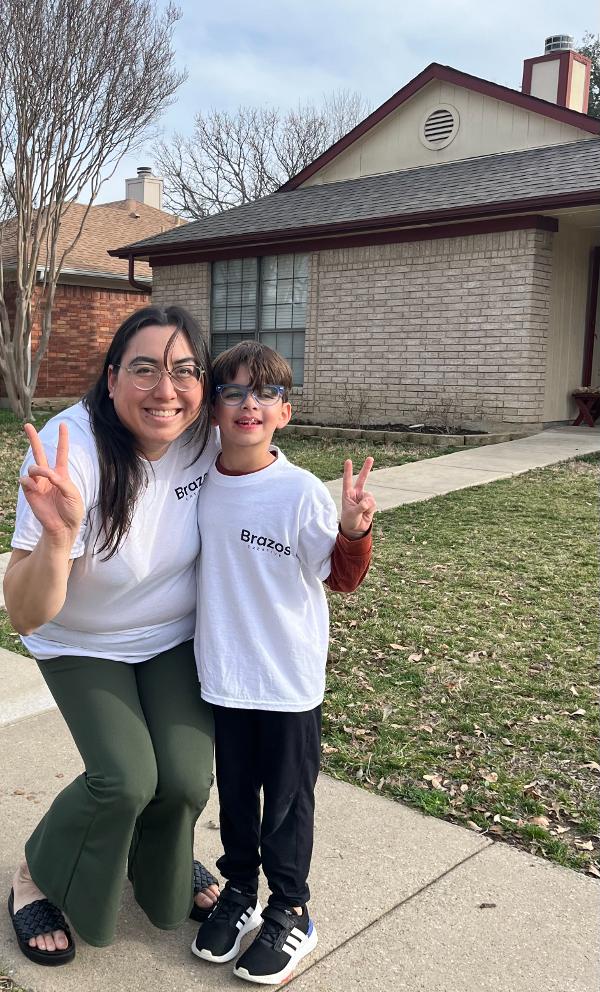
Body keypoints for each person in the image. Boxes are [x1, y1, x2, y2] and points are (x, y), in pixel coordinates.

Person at [4, 305, 222, 965]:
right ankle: (35, 874)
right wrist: (60, 537)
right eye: (145, 370)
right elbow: (27, 614)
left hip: (168, 636)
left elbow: (268, 480)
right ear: (110, 378)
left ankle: (161, 862)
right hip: (80, 640)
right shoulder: (71, 453)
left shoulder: (205, 436)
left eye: (185, 372)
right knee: (126, 779)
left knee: (183, 780)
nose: (166, 391)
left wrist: (349, 535)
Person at [190, 341, 376, 985]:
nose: (249, 404)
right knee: (237, 797)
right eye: (234, 391)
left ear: (285, 413)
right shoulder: (199, 481)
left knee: (288, 804)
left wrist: (352, 529)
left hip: (288, 681)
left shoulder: (298, 491)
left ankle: (291, 909)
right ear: (213, 408)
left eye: (264, 394)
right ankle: (239, 893)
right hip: (223, 673)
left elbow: (341, 577)